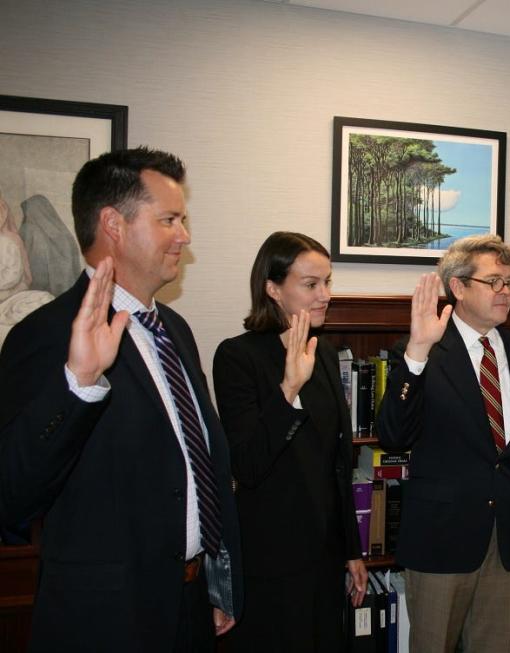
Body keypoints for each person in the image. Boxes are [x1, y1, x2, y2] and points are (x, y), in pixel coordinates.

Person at [0, 147, 243, 651]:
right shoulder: (47, 334)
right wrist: (79, 382)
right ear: (113, 224)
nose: (185, 235)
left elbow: (199, 466)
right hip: (107, 621)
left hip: (190, 606)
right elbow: (11, 496)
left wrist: (218, 580)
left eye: (184, 219)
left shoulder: (173, 328)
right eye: (169, 220)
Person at [376, 234, 510, 653]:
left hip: (505, 539)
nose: (505, 292)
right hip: (441, 540)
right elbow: (393, 435)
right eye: (494, 282)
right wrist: (417, 353)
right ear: (457, 287)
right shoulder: (423, 349)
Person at [212, 231, 367, 652]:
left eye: (328, 282)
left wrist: (351, 549)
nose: (325, 295)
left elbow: (337, 464)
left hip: (324, 555)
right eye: (311, 284)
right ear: (273, 288)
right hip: (270, 561)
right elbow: (246, 463)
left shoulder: (328, 353)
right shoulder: (236, 357)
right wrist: (288, 389)